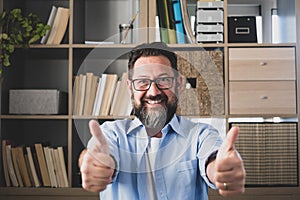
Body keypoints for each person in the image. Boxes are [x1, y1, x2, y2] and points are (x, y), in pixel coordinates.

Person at [78, 42, 245, 200]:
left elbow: (213, 161)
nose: (153, 91)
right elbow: (96, 155)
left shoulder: (200, 134)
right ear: (130, 87)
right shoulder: (111, 133)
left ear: (178, 84)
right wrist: (94, 163)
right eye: (142, 82)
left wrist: (221, 170)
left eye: (163, 80)